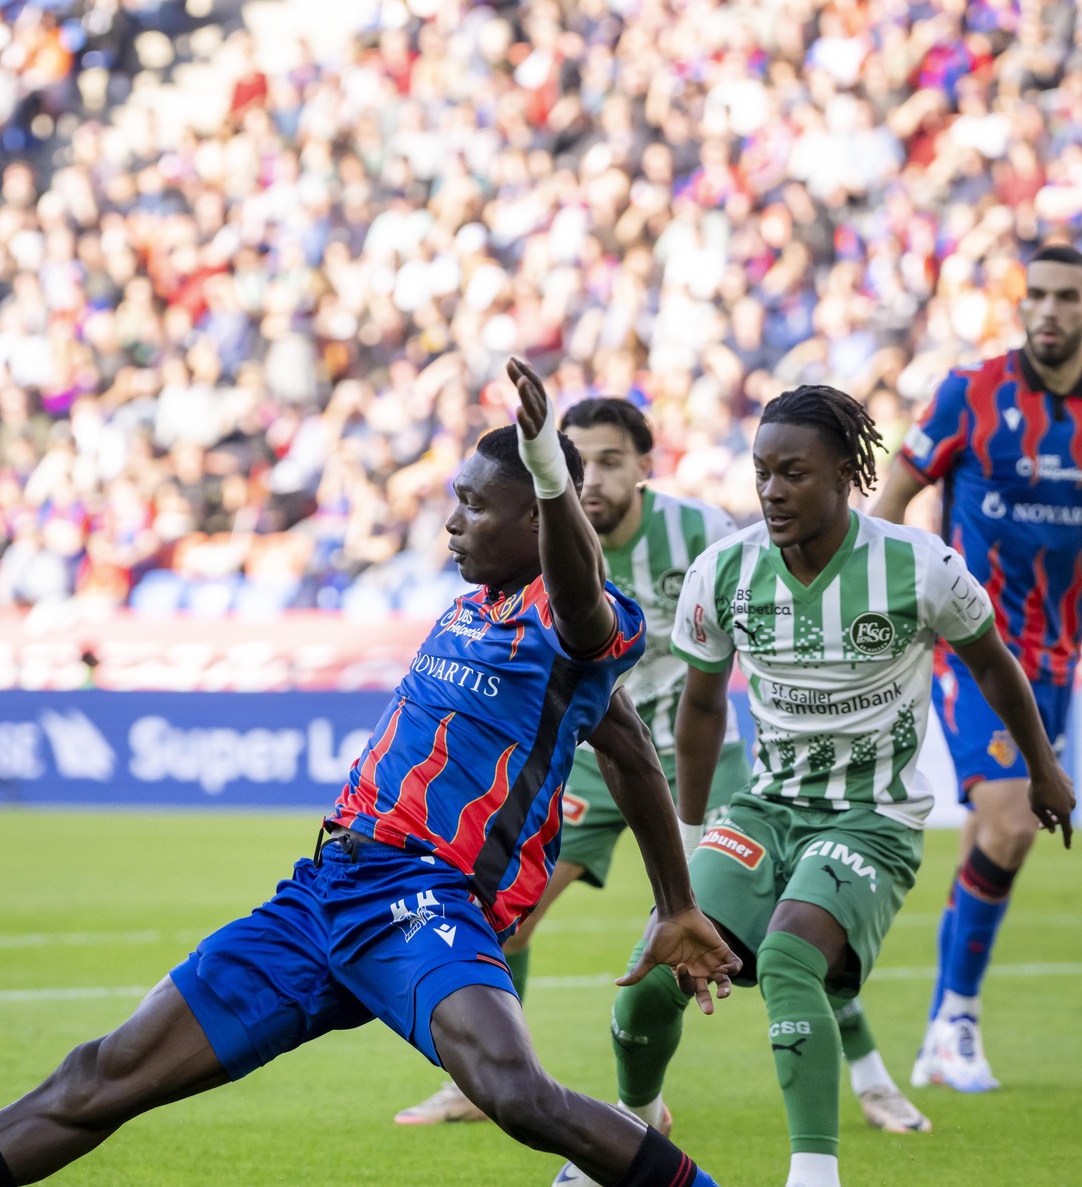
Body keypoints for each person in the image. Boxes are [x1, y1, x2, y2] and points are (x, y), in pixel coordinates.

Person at [0, 359, 852, 1187]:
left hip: (424, 902)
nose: (448, 521)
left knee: (515, 1091)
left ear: (524, 518)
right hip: (322, 894)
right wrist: (668, 896)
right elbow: (631, 754)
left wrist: (543, 470)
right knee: (95, 1080)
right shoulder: (470, 606)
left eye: (470, 505)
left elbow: (592, 623)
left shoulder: (577, 621)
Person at [550, 386, 1075, 1187]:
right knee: (654, 970)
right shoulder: (726, 567)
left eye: (794, 472)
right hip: (766, 806)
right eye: (762, 473)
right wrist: (684, 857)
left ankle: (817, 1182)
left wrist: (1043, 767)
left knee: (793, 955)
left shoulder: (919, 564)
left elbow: (994, 664)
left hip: (873, 816)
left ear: (846, 474)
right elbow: (701, 710)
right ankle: (634, 1124)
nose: (774, 490)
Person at [396, 399, 928, 1140]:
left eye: (612, 461)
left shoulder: (701, 532)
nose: (592, 479)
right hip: (594, 755)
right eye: (577, 463)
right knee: (504, 919)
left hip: (702, 759)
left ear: (645, 468)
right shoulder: (539, 544)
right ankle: (478, 1081)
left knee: (788, 924)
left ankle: (870, 1076)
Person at [870, 243, 1082, 1092]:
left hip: (1058, 660)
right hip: (972, 649)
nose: (1048, 309)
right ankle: (958, 1019)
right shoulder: (971, 392)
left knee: (987, 836)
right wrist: (889, 598)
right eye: (1035, 294)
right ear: (1022, 304)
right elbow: (894, 495)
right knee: (1010, 823)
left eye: (1066, 296)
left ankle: (941, 1031)